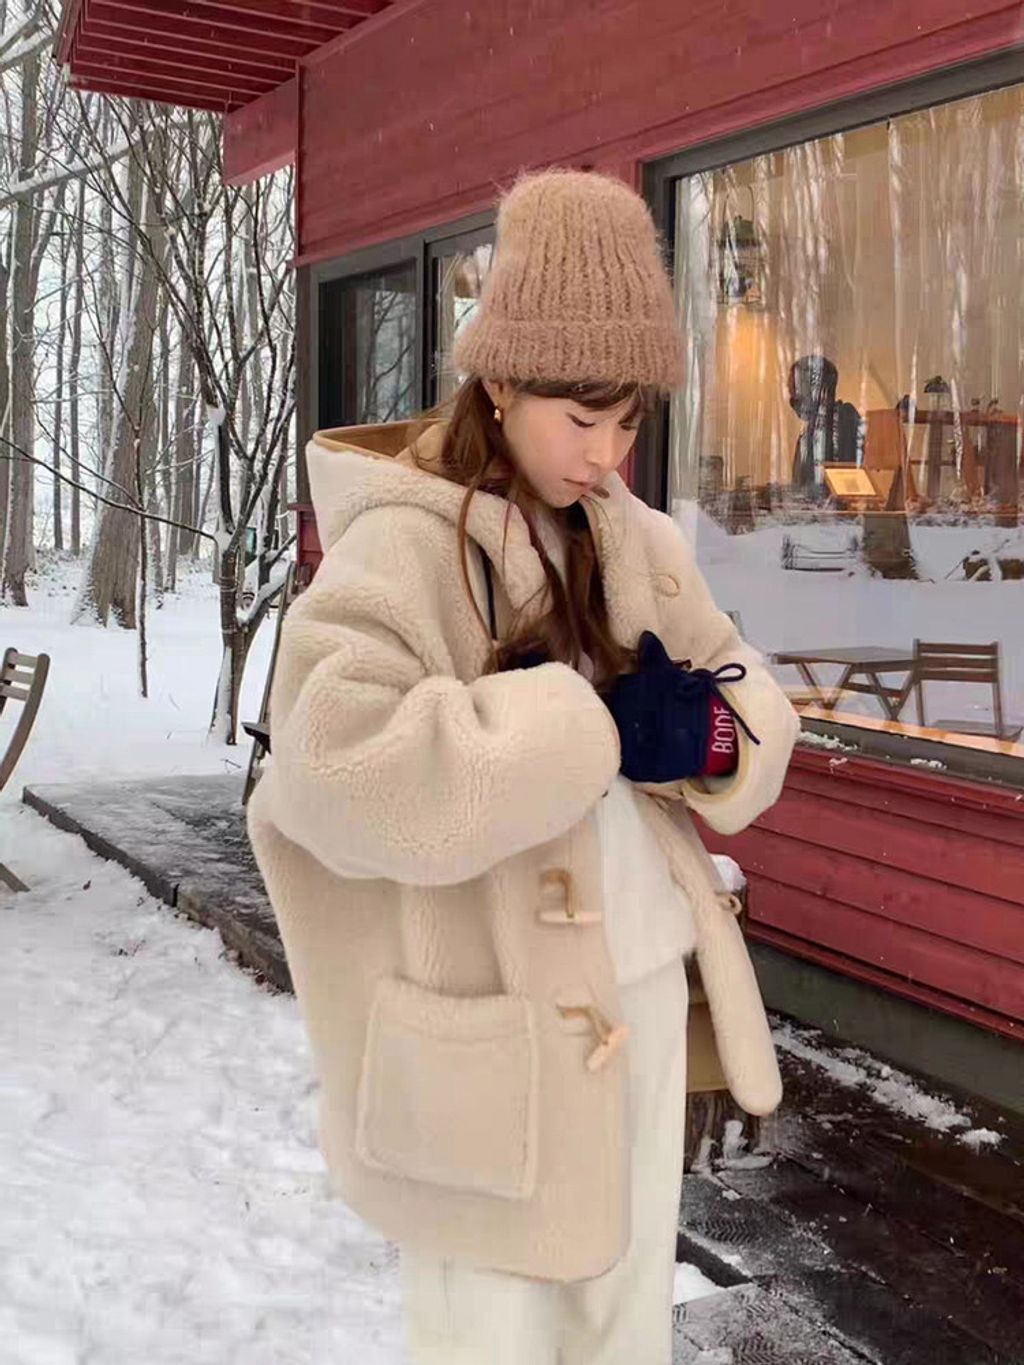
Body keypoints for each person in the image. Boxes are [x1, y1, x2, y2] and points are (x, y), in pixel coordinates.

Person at [247, 169, 800, 1365]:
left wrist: (708, 738)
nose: (606, 455)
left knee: (622, 1318)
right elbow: (332, 768)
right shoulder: (401, 542)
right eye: (580, 419)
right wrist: (583, 725)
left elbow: (746, 689)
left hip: (640, 986)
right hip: (488, 1017)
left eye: (628, 423)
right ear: (499, 383)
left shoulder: (635, 538)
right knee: (489, 1333)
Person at [788, 353, 862, 492]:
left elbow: (844, 483)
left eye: (797, 394)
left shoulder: (843, 418)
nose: (793, 401)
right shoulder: (809, 433)